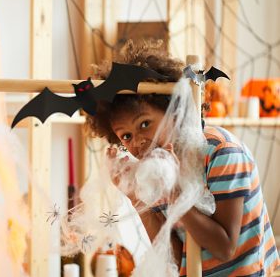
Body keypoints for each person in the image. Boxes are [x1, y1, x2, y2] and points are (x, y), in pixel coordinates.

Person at [85, 41, 280, 276]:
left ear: (173, 109)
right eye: (126, 136)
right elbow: (178, 259)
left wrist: (175, 193)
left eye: (145, 124)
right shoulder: (156, 169)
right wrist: (137, 199)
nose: (137, 142)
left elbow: (225, 247)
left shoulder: (222, 152)